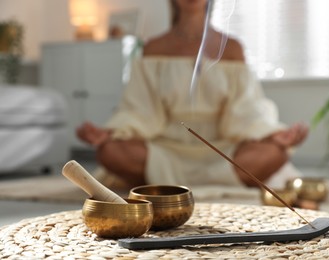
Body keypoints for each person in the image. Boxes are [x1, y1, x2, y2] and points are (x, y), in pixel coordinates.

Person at [76, 0, 308, 191]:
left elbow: (247, 109)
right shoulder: (154, 48)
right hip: (164, 149)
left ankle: (162, 184)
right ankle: (166, 180)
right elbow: (139, 108)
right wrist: (110, 132)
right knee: (109, 151)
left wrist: (272, 134)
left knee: (274, 152)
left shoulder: (232, 48)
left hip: (223, 150)